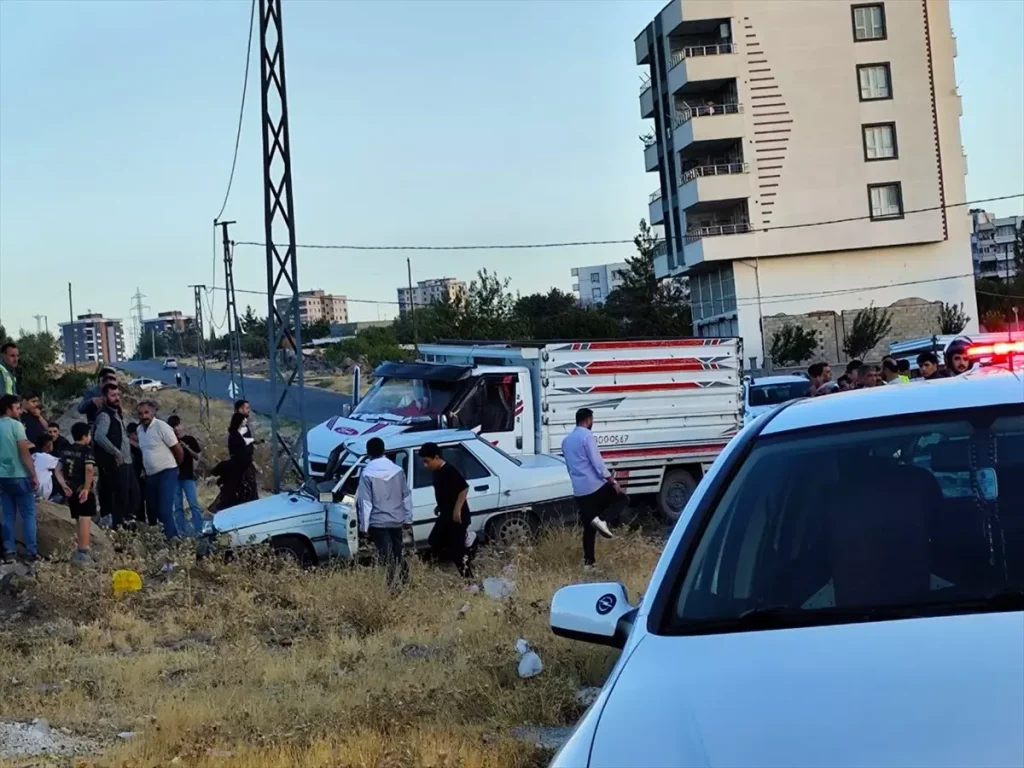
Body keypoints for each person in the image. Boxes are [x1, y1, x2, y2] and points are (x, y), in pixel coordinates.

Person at [560, 408, 617, 567]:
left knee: (588, 527)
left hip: (579, 490)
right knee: (621, 498)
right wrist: (611, 480)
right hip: (594, 486)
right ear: (588, 420)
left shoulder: (566, 441)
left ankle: (588, 563)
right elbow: (597, 462)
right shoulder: (587, 436)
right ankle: (602, 520)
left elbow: (570, 466)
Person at [356, 437, 413, 588]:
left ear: (368, 453)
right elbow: (406, 497)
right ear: (384, 450)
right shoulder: (398, 470)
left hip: (378, 522)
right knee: (398, 552)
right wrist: (408, 519)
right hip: (396, 520)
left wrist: (364, 527)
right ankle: (405, 581)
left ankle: (392, 586)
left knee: (386, 556)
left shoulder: (367, 473)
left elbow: (365, 503)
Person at [419, 442, 473, 578]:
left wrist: (457, 510)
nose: (425, 465)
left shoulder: (449, 470)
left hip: (458, 516)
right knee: (434, 540)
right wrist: (440, 506)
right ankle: (464, 543)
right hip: (445, 513)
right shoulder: (436, 472)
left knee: (457, 552)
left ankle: (470, 581)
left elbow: (464, 489)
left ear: (437, 457)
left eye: (427, 461)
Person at [93, 383, 139, 529]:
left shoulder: (115, 413)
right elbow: (99, 436)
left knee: (134, 494)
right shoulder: (105, 415)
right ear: (104, 397)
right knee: (121, 496)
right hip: (118, 462)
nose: (117, 398)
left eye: (118, 395)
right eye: (113, 395)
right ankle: (118, 527)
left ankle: (128, 524)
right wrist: (115, 452)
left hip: (127, 461)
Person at [136, 400, 184, 539]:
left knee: (164, 510)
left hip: (167, 472)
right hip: (150, 475)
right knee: (152, 510)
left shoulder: (162, 427)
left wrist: (176, 467)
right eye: (140, 414)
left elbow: (178, 449)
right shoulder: (139, 430)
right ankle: (159, 539)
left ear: (153, 412)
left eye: (146, 412)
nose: (144, 416)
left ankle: (173, 540)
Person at [0, 394, 38, 568]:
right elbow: (24, 452)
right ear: (9, 409)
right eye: (17, 408)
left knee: (8, 514)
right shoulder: (16, 426)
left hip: (2, 477)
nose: (20, 411)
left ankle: (9, 551)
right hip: (20, 475)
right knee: (28, 514)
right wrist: (33, 474)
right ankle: (31, 552)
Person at [53, 422, 97, 567]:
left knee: (78, 518)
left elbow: (57, 470)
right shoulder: (87, 450)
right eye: (89, 435)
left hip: (70, 489)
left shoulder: (65, 450)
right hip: (82, 489)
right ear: (85, 436)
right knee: (85, 518)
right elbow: (89, 469)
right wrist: (86, 488)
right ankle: (83, 550)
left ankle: (81, 547)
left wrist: (63, 484)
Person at [211, 413, 258, 511]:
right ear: (239, 421)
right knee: (234, 491)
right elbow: (240, 448)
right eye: (244, 419)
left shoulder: (236, 434)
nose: (246, 420)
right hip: (239, 467)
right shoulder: (235, 436)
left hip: (241, 467)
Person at [167, 414, 203, 536]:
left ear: (180, 425)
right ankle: (181, 532)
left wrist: (186, 447)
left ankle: (199, 530)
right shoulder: (170, 442)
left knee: (193, 504)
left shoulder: (190, 439)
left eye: (177, 425)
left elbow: (197, 456)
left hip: (188, 476)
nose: (176, 429)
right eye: (173, 427)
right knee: (178, 507)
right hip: (174, 477)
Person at [126, 422, 151, 525]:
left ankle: (141, 520)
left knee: (141, 499)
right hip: (130, 476)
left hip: (140, 476)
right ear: (130, 434)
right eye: (136, 434)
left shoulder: (139, 445)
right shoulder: (127, 446)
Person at [31, 435, 59, 501]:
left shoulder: (33, 455)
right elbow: (62, 463)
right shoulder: (46, 457)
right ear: (48, 445)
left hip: (31, 488)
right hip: (41, 490)